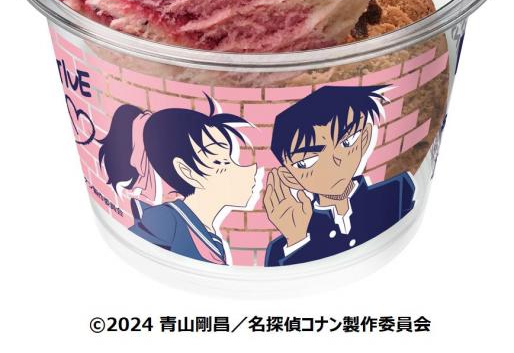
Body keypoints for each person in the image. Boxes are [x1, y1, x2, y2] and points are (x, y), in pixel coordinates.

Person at [99, 94, 261, 265]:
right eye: (221, 162)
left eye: (231, 160)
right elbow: (138, 253)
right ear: (187, 171)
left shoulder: (212, 239)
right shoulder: (166, 220)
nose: (248, 172)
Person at [263, 85, 416, 266]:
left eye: (347, 143)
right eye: (307, 162)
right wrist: (298, 240)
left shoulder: (398, 193)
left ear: (365, 138)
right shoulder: (282, 248)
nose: (334, 163)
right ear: (289, 176)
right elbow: (292, 279)